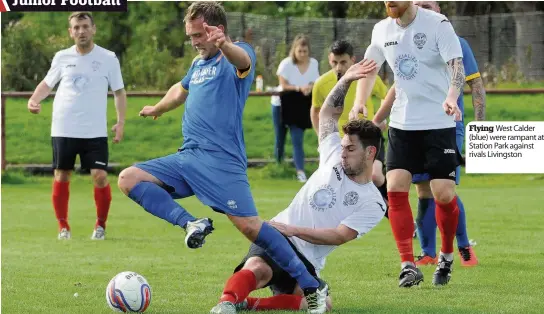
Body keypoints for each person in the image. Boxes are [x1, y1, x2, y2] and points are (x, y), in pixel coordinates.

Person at [115, 2, 327, 313]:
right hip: (189, 157)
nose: (195, 41)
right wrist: (157, 109)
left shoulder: (237, 53)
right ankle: (191, 223)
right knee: (128, 178)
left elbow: (242, 62)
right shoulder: (197, 65)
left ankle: (312, 285)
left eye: (199, 35)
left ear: (217, 30)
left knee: (252, 228)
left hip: (221, 163)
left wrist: (225, 45)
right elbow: (180, 88)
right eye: (191, 36)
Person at [211, 59, 384, 313]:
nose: (343, 153)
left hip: (307, 257)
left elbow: (339, 235)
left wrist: (292, 228)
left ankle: (247, 304)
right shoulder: (333, 153)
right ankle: (226, 303)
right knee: (258, 270)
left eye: (350, 148)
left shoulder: (374, 203)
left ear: (370, 153)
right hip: (279, 237)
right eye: (343, 146)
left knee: (321, 304)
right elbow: (327, 114)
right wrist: (346, 80)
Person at [352, 1, 465, 287]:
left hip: (438, 122)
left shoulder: (437, 24)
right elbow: (369, 68)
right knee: (395, 187)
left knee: (443, 194)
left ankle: (447, 255)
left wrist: (451, 96)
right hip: (403, 124)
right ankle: (407, 264)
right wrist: (359, 102)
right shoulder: (381, 29)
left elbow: (457, 66)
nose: (389, 1)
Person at [27, 11, 127, 241]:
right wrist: (34, 100)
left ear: (93, 29)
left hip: (95, 130)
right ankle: (63, 227)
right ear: (70, 32)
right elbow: (46, 83)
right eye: (76, 27)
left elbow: (119, 92)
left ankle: (100, 226)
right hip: (64, 127)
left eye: (85, 26)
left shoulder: (108, 58)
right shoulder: (62, 57)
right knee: (62, 175)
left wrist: (120, 122)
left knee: (100, 175)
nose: (81, 31)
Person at [407, 1, 486, 267]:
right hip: (414, 125)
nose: (423, 9)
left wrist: (481, 126)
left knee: (444, 188)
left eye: (428, 4)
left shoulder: (457, 43)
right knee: (422, 189)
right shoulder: (405, 41)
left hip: (448, 125)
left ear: (439, 9)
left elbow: (475, 83)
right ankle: (428, 252)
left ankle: (463, 247)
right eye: (418, 5)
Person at [311, 40, 389, 203]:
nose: (338, 67)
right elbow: (316, 111)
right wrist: (322, 138)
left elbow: (386, 97)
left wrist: (380, 120)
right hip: (339, 141)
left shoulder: (367, 76)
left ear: (353, 59)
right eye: (334, 62)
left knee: (375, 176)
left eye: (343, 62)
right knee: (336, 183)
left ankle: (393, 210)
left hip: (368, 136)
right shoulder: (321, 83)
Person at [275, 34, 321, 183]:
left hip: (300, 105)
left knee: (297, 138)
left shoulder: (313, 63)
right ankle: (278, 165)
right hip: (281, 103)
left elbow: (317, 82)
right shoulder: (286, 64)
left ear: (309, 51)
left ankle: (300, 171)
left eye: (305, 51)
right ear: (294, 50)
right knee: (280, 138)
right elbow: (283, 84)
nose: (302, 54)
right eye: (299, 51)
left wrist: (310, 87)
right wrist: (298, 88)